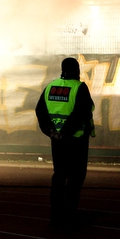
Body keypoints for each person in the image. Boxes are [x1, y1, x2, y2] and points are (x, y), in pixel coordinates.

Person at [36, 57, 94, 227]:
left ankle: (55, 216)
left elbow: (40, 110)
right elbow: (81, 113)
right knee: (76, 178)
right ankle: (70, 215)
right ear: (77, 70)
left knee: (59, 176)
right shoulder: (79, 87)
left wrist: (51, 131)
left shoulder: (50, 87)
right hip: (76, 141)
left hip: (57, 141)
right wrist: (66, 132)